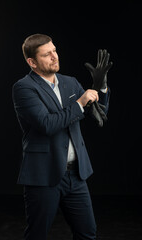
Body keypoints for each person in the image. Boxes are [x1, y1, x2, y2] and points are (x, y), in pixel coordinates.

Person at [12, 33, 112, 240]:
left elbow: (99, 114)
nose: (55, 56)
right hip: (44, 176)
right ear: (32, 62)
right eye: (47, 54)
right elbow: (47, 124)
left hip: (76, 175)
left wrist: (101, 87)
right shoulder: (24, 88)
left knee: (87, 234)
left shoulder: (70, 82)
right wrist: (80, 103)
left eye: (54, 50)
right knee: (36, 235)